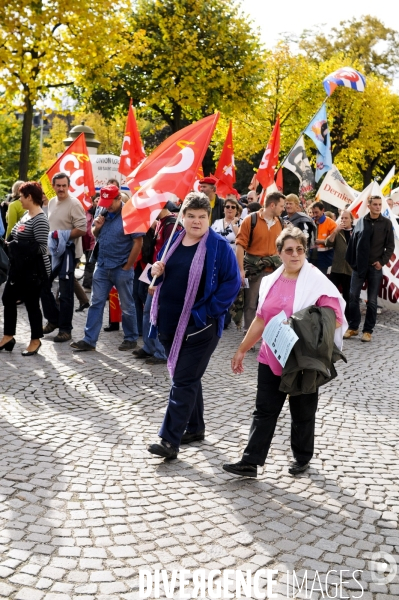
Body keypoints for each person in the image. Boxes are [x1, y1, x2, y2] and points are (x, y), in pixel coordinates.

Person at [223, 227, 347, 478]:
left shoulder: (317, 282)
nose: (295, 254)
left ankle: (302, 457)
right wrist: (241, 350)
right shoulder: (270, 281)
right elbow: (260, 320)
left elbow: (335, 318)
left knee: (302, 411)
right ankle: (250, 461)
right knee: (264, 410)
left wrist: (301, 324)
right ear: (279, 253)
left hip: (302, 359)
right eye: (289, 250)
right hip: (270, 355)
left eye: (300, 249)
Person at [147, 192, 241, 459]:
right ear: (183, 217)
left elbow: (231, 284)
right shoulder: (175, 240)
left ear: (209, 218)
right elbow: (164, 269)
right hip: (169, 322)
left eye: (202, 216)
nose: (196, 221)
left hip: (199, 327)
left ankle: (169, 440)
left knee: (183, 380)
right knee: (186, 376)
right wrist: (158, 271)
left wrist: (207, 313)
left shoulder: (219, 247)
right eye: (191, 216)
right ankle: (195, 427)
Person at [70, 184, 144, 352]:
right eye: (104, 202)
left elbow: (138, 241)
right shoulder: (101, 210)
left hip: (121, 267)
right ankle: (89, 340)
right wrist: (98, 226)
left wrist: (127, 266)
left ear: (119, 198)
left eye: (110, 201)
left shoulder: (130, 213)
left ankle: (131, 337)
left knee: (126, 304)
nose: (107, 205)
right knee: (96, 302)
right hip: (102, 265)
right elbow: (96, 234)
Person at [1, 182, 50, 356]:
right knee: (8, 298)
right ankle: (8, 336)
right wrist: (9, 243)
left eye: (22, 196)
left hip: (33, 271)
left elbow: (42, 248)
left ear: (29, 197)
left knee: (31, 305)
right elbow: (16, 234)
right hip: (18, 268)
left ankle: (35, 340)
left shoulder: (41, 219)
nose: (19, 199)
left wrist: (16, 246)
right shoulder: (26, 215)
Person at [40, 172, 87, 342]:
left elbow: (82, 229)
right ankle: (53, 320)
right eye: (58, 185)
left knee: (66, 293)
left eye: (64, 185)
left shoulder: (74, 203)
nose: (61, 188)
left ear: (68, 186)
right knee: (43, 286)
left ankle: (66, 329)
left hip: (69, 253)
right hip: (53, 253)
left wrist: (61, 236)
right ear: (53, 186)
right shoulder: (51, 202)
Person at [134, 202, 181, 365]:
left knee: (157, 313)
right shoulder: (162, 222)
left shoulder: (172, 225)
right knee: (147, 310)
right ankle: (149, 347)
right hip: (153, 271)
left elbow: (170, 253)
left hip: (162, 274)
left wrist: (158, 280)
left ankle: (161, 352)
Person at [344, 194, 395, 342]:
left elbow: (390, 246)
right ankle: (353, 327)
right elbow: (353, 243)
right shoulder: (361, 221)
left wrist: (382, 262)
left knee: (372, 301)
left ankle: (368, 331)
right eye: (375, 204)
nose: (378, 207)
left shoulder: (386, 224)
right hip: (359, 267)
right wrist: (353, 263)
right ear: (369, 206)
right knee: (353, 296)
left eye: (380, 204)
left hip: (375, 268)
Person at [235, 192, 285, 331]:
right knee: (250, 304)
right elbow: (240, 246)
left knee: (271, 304)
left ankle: (268, 333)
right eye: (281, 206)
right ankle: (248, 332)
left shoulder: (281, 222)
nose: (283, 209)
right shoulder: (250, 220)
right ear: (272, 205)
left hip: (274, 270)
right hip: (253, 269)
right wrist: (240, 270)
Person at [325, 210, 353, 316]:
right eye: (342, 218)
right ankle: (331, 314)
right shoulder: (338, 231)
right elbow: (328, 243)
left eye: (346, 218)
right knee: (331, 292)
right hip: (337, 268)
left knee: (348, 295)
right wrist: (335, 231)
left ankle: (347, 318)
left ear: (351, 219)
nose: (343, 220)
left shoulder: (356, 231)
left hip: (350, 269)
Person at [309, 201, 337, 275]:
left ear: (323, 210)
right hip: (311, 257)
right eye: (313, 212)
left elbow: (335, 241)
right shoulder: (311, 222)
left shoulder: (331, 223)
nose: (314, 215)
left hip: (325, 258)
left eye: (316, 212)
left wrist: (321, 241)